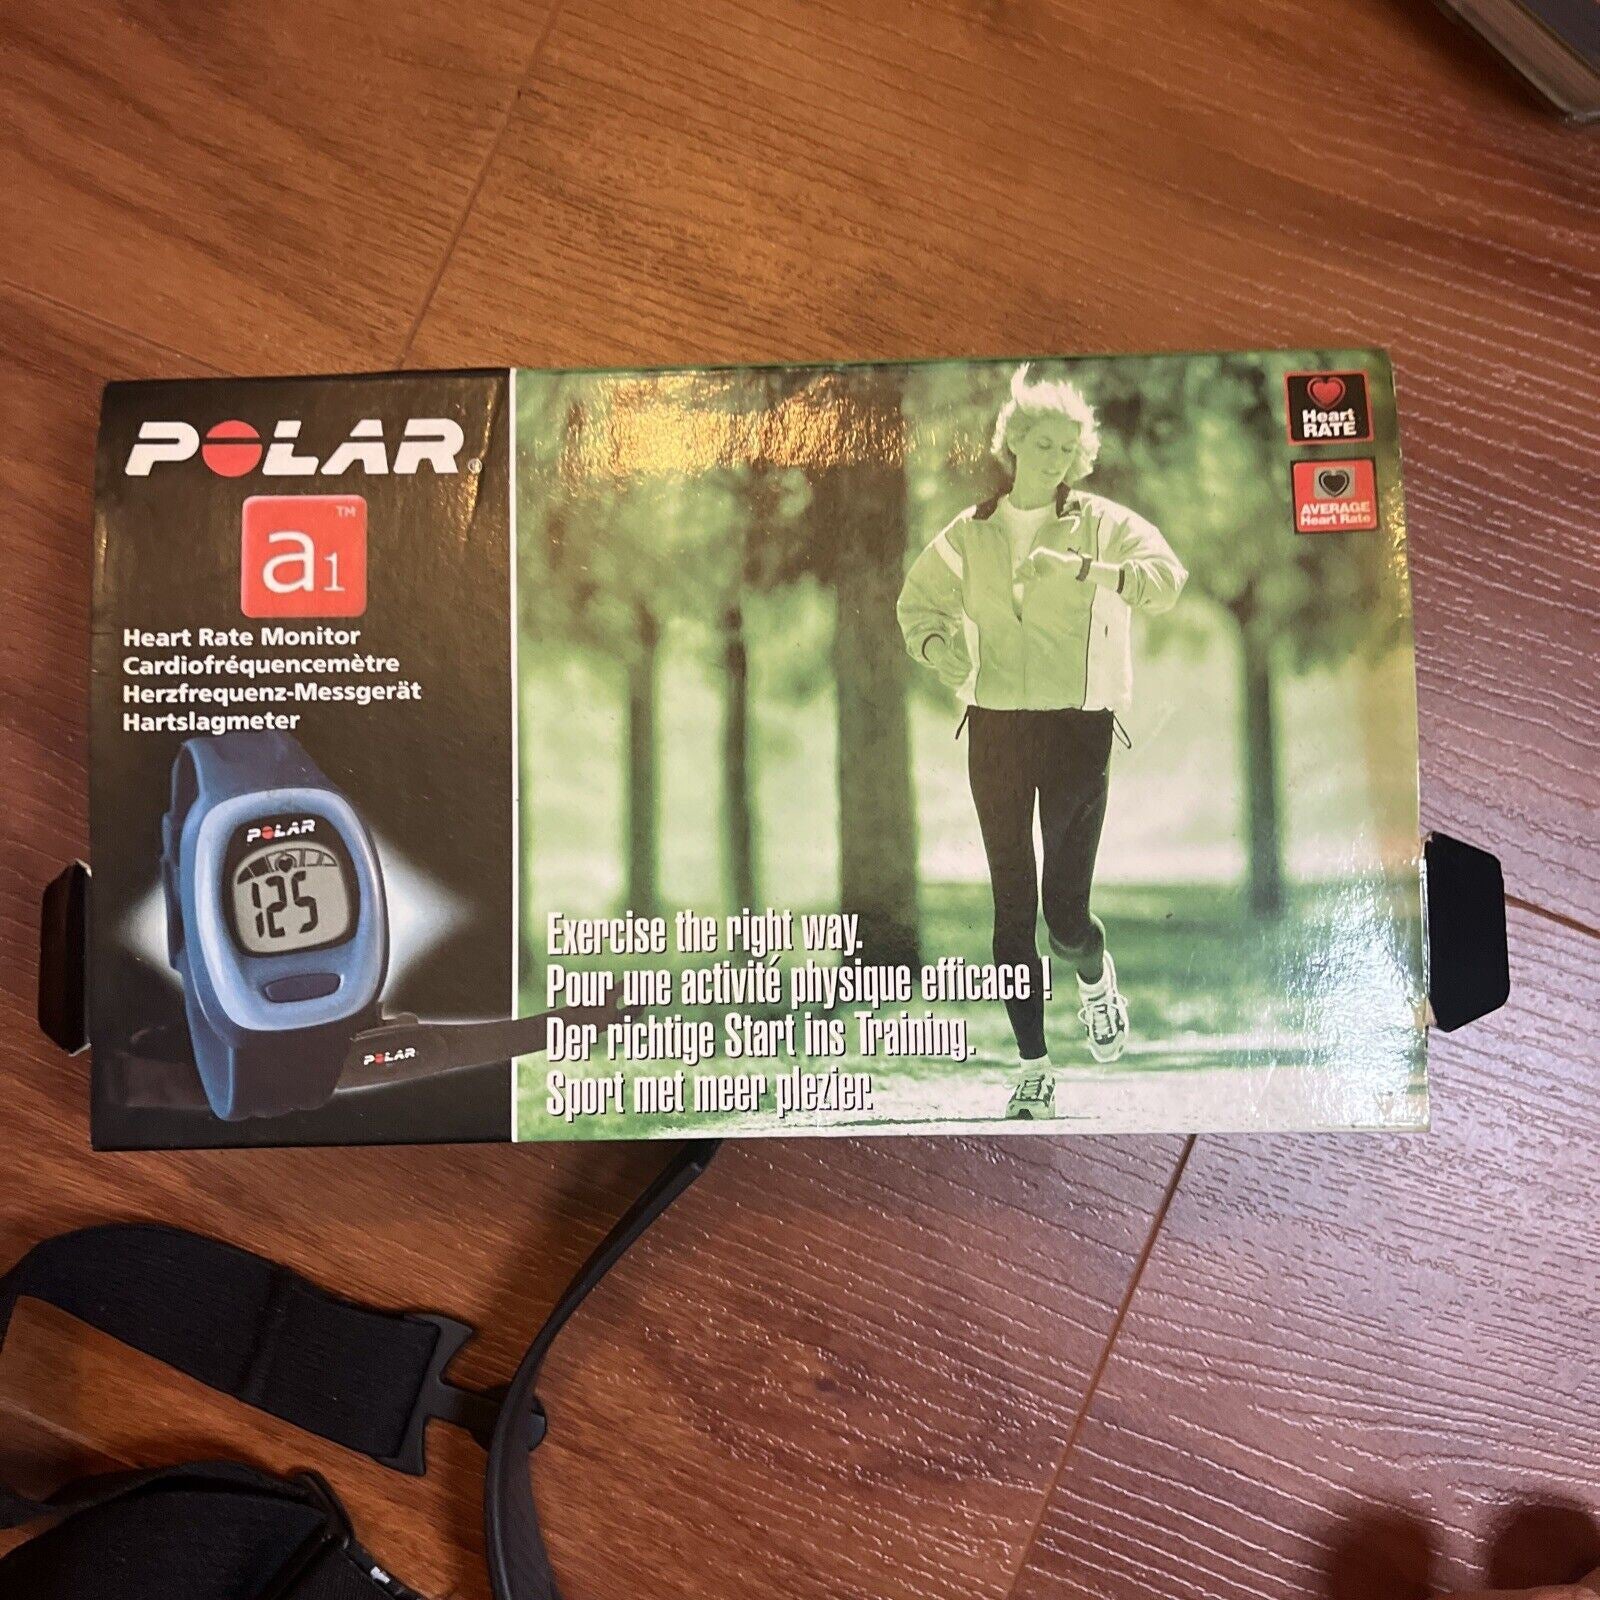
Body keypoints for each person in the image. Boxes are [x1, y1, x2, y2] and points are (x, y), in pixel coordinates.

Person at [897, 364, 1187, 1119]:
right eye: (1044, 444)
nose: (1057, 458)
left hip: (1077, 729)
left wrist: (1086, 568)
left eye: (1069, 448)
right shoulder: (971, 532)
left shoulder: (1102, 523)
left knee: (1064, 916)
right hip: (994, 728)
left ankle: (1094, 978)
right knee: (1010, 909)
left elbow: (1166, 579)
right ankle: (1033, 1069)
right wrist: (938, 649)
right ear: (1015, 443)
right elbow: (917, 604)